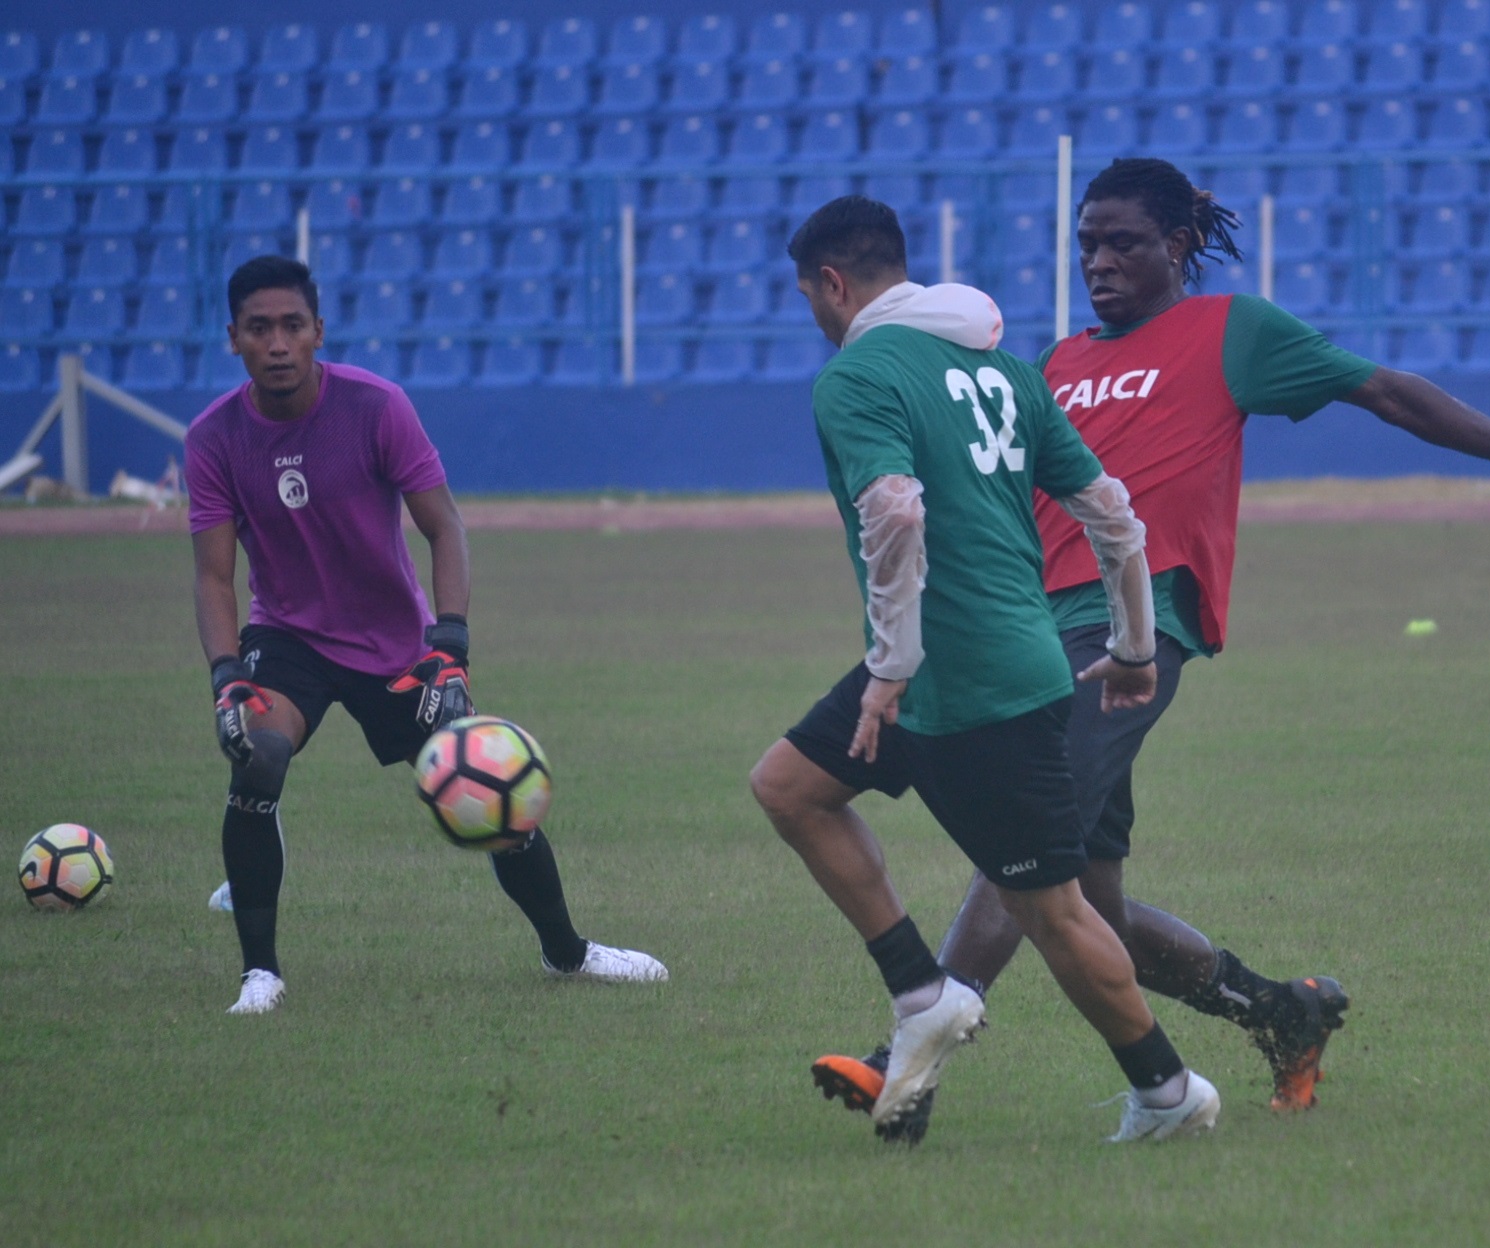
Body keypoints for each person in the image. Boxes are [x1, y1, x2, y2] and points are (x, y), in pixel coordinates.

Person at [810, 157, 1490, 1131]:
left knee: (1020, 852)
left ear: (1176, 245)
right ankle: (1280, 1010)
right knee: (1089, 911)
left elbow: (1384, 391)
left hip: (1137, 626)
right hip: (1029, 631)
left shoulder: (1231, 331)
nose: (1100, 262)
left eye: (1122, 242)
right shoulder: (1055, 365)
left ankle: (906, 1056)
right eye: (1086, 245)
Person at [750, 195, 1222, 1148]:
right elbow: (1113, 513)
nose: (812, 311)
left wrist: (890, 666)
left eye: (809, 295)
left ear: (833, 285)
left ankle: (1172, 1095)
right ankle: (921, 991)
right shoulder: (1004, 372)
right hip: (984, 658)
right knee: (791, 786)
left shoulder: (857, 375)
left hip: (964, 684)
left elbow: (894, 509)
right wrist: (1134, 646)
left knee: (1051, 911)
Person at [187, 255, 667, 1016]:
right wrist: (225, 677)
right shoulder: (214, 437)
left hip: (397, 645)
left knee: (487, 781)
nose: (277, 343)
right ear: (233, 339)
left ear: (318, 332)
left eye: (291, 326)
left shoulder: (376, 407)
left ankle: (568, 955)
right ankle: (261, 974)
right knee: (258, 754)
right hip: (286, 638)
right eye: (259, 329)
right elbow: (214, 576)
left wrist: (450, 648)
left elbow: (444, 526)